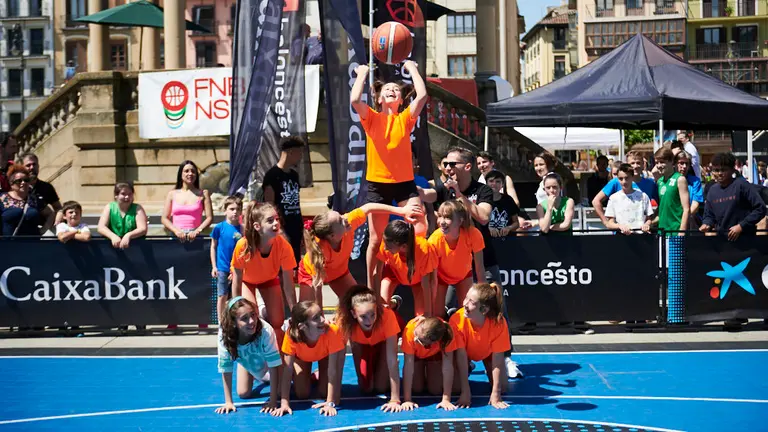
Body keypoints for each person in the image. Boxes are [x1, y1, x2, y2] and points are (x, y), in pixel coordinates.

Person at [351, 60, 428, 289]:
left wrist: (412, 68)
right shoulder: (372, 118)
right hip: (378, 184)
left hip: (404, 182)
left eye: (396, 89)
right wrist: (362, 74)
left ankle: (411, 271)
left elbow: (422, 96)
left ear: (401, 100)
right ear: (379, 99)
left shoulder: (404, 119)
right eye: (387, 90)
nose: (392, 90)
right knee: (375, 239)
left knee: (420, 227)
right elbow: (355, 100)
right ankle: (370, 288)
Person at [300, 202, 423, 309]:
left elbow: (369, 207)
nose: (345, 219)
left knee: (360, 305)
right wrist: (320, 317)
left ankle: (391, 304)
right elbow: (318, 287)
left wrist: (401, 211)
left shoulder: (348, 222)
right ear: (332, 236)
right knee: (307, 313)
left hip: (339, 273)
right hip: (311, 277)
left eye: (341, 216)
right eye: (340, 221)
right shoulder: (320, 250)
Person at [231, 203, 297, 348]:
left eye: (277, 219)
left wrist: (295, 312)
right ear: (257, 226)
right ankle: (255, 358)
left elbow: (288, 285)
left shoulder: (284, 246)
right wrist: (235, 307)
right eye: (270, 220)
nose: (276, 223)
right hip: (247, 282)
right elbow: (237, 279)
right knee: (251, 319)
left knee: (278, 323)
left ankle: (276, 360)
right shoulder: (243, 245)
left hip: (269, 279)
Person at [336, 285, 402, 412]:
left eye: (372, 315)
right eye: (363, 317)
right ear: (353, 314)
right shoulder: (344, 321)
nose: (369, 320)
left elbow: (392, 359)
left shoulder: (387, 316)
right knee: (366, 388)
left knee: (381, 387)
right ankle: (317, 374)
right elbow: (339, 361)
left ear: (377, 309)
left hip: (382, 343)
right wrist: (332, 400)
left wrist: (395, 399)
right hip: (361, 345)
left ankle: (394, 303)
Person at [274, 301, 346, 417]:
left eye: (321, 315)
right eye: (316, 318)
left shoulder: (332, 331)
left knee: (324, 392)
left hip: (325, 357)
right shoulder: (291, 336)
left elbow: (333, 371)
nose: (323, 320)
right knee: (302, 393)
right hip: (302, 358)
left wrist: (330, 403)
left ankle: (318, 373)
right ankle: (310, 375)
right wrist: (284, 403)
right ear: (302, 326)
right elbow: (287, 371)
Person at [215, 296, 283, 415]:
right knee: (243, 393)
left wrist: (273, 401)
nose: (251, 321)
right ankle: (257, 373)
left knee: (281, 392)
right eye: (244, 318)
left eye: (253, 315)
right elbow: (226, 367)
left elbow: (274, 366)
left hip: (271, 360)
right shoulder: (224, 334)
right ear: (233, 322)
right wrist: (228, 402)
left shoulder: (266, 330)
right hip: (248, 360)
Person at [450, 283, 511, 410]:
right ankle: (469, 367)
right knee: (456, 388)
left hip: (487, 354)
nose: (465, 304)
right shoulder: (457, 320)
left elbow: (498, 360)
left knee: (503, 387)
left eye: (471, 302)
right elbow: (461, 355)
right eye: (466, 298)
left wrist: (496, 393)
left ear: (484, 310)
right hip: (465, 354)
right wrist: (465, 391)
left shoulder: (498, 323)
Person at [428, 200, 485, 319]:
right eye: (440, 216)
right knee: (437, 315)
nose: (442, 222)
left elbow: (479, 268)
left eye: (448, 217)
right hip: (440, 277)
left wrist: (484, 295)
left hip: (464, 275)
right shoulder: (434, 240)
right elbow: (432, 280)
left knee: (468, 312)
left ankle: (456, 320)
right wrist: (431, 308)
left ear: (460, 220)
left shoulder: (473, 234)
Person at [377, 219, 438, 317]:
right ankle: (393, 303)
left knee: (420, 317)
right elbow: (377, 272)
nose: (384, 248)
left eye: (388, 246)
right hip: (393, 274)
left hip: (417, 281)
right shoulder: (387, 241)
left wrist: (428, 313)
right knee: (382, 309)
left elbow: (427, 283)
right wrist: (377, 298)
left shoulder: (424, 250)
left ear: (404, 247)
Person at [700, 152, 766, 241]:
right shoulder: (712, 191)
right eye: (716, 170)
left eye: (723, 170)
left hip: (746, 242)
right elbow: (709, 215)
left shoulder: (742, 185)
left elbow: (760, 208)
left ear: (732, 170)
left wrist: (741, 226)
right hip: (723, 244)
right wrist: (706, 224)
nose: (719, 173)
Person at [400, 316, 460, 411]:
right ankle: (423, 372)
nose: (415, 339)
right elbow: (408, 365)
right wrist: (407, 399)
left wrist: (446, 399)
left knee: (437, 389)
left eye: (419, 341)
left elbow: (447, 366)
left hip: (434, 356)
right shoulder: (410, 330)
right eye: (416, 334)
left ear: (433, 343)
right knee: (416, 388)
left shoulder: (446, 336)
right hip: (417, 355)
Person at [262, 137, 306, 265]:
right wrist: (279, 230)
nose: (301, 157)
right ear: (290, 152)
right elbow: (269, 206)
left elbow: (297, 203)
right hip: (281, 228)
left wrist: (302, 229)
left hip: (296, 227)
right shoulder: (272, 175)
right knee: (282, 266)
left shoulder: (294, 175)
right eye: (299, 153)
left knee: (295, 265)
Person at [592, 151, 657, 226]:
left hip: (641, 232)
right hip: (621, 233)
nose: (635, 166)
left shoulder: (650, 184)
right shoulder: (617, 181)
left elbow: (662, 204)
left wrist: (651, 221)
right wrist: (606, 222)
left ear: (643, 165)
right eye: (632, 163)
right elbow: (596, 201)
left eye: (638, 163)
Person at [161, 160, 213, 243]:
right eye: (186, 171)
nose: (190, 174)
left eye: (193, 171)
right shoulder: (172, 194)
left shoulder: (203, 193)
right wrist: (176, 231)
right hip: (176, 237)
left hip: (196, 237)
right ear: (181, 174)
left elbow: (209, 218)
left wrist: (197, 231)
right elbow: (164, 218)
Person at [211, 196, 243, 323]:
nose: (235, 212)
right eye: (231, 209)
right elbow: (213, 246)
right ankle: (221, 321)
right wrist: (214, 266)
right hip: (222, 267)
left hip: (237, 268)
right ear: (225, 211)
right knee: (222, 295)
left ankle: (236, 319)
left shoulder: (242, 229)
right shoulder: (219, 227)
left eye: (237, 209)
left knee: (237, 295)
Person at [0, 164, 54, 236]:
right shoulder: (2, 198)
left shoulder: (35, 199)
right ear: (11, 183)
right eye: (18, 181)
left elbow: (50, 214)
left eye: (26, 180)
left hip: (33, 244)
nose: (23, 183)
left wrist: (43, 230)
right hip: (9, 244)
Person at [96, 182, 148, 249]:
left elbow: (143, 229)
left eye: (130, 194)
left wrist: (128, 235)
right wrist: (113, 236)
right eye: (123, 194)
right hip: (112, 247)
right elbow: (101, 227)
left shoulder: (137, 208)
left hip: (135, 247)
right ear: (116, 195)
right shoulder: (109, 207)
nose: (127, 197)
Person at [604, 164, 653, 235]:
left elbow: (649, 219)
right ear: (617, 179)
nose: (624, 182)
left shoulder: (643, 196)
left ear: (632, 177)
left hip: (641, 237)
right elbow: (610, 223)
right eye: (621, 179)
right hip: (621, 237)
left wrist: (646, 225)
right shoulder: (613, 198)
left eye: (627, 178)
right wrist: (619, 226)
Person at [653, 148, 690, 236]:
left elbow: (686, 209)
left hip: (675, 232)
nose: (659, 165)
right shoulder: (660, 181)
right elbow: (662, 210)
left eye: (662, 162)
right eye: (656, 163)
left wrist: (682, 231)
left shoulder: (680, 179)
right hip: (662, 232)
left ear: (671, 162)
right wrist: (650, 222)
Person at [21, 154, 62, 225]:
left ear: (38, 166)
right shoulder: (17, 187)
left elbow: (58, 208)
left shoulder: (46, 187)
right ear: (22, 168)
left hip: (42, 230)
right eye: (28, 165)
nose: (32, 167)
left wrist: (57, 221)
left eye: (34, 164)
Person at [485, 170, 520, 237]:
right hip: (487, 240)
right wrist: (488, 228)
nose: (494, 184)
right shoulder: (482, 200)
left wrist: (508, 228)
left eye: (498, 181)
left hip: (506, 240)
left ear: (502, 184)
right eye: (491, 181)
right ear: (486, 183)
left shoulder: (508, 200)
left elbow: (516, 223)